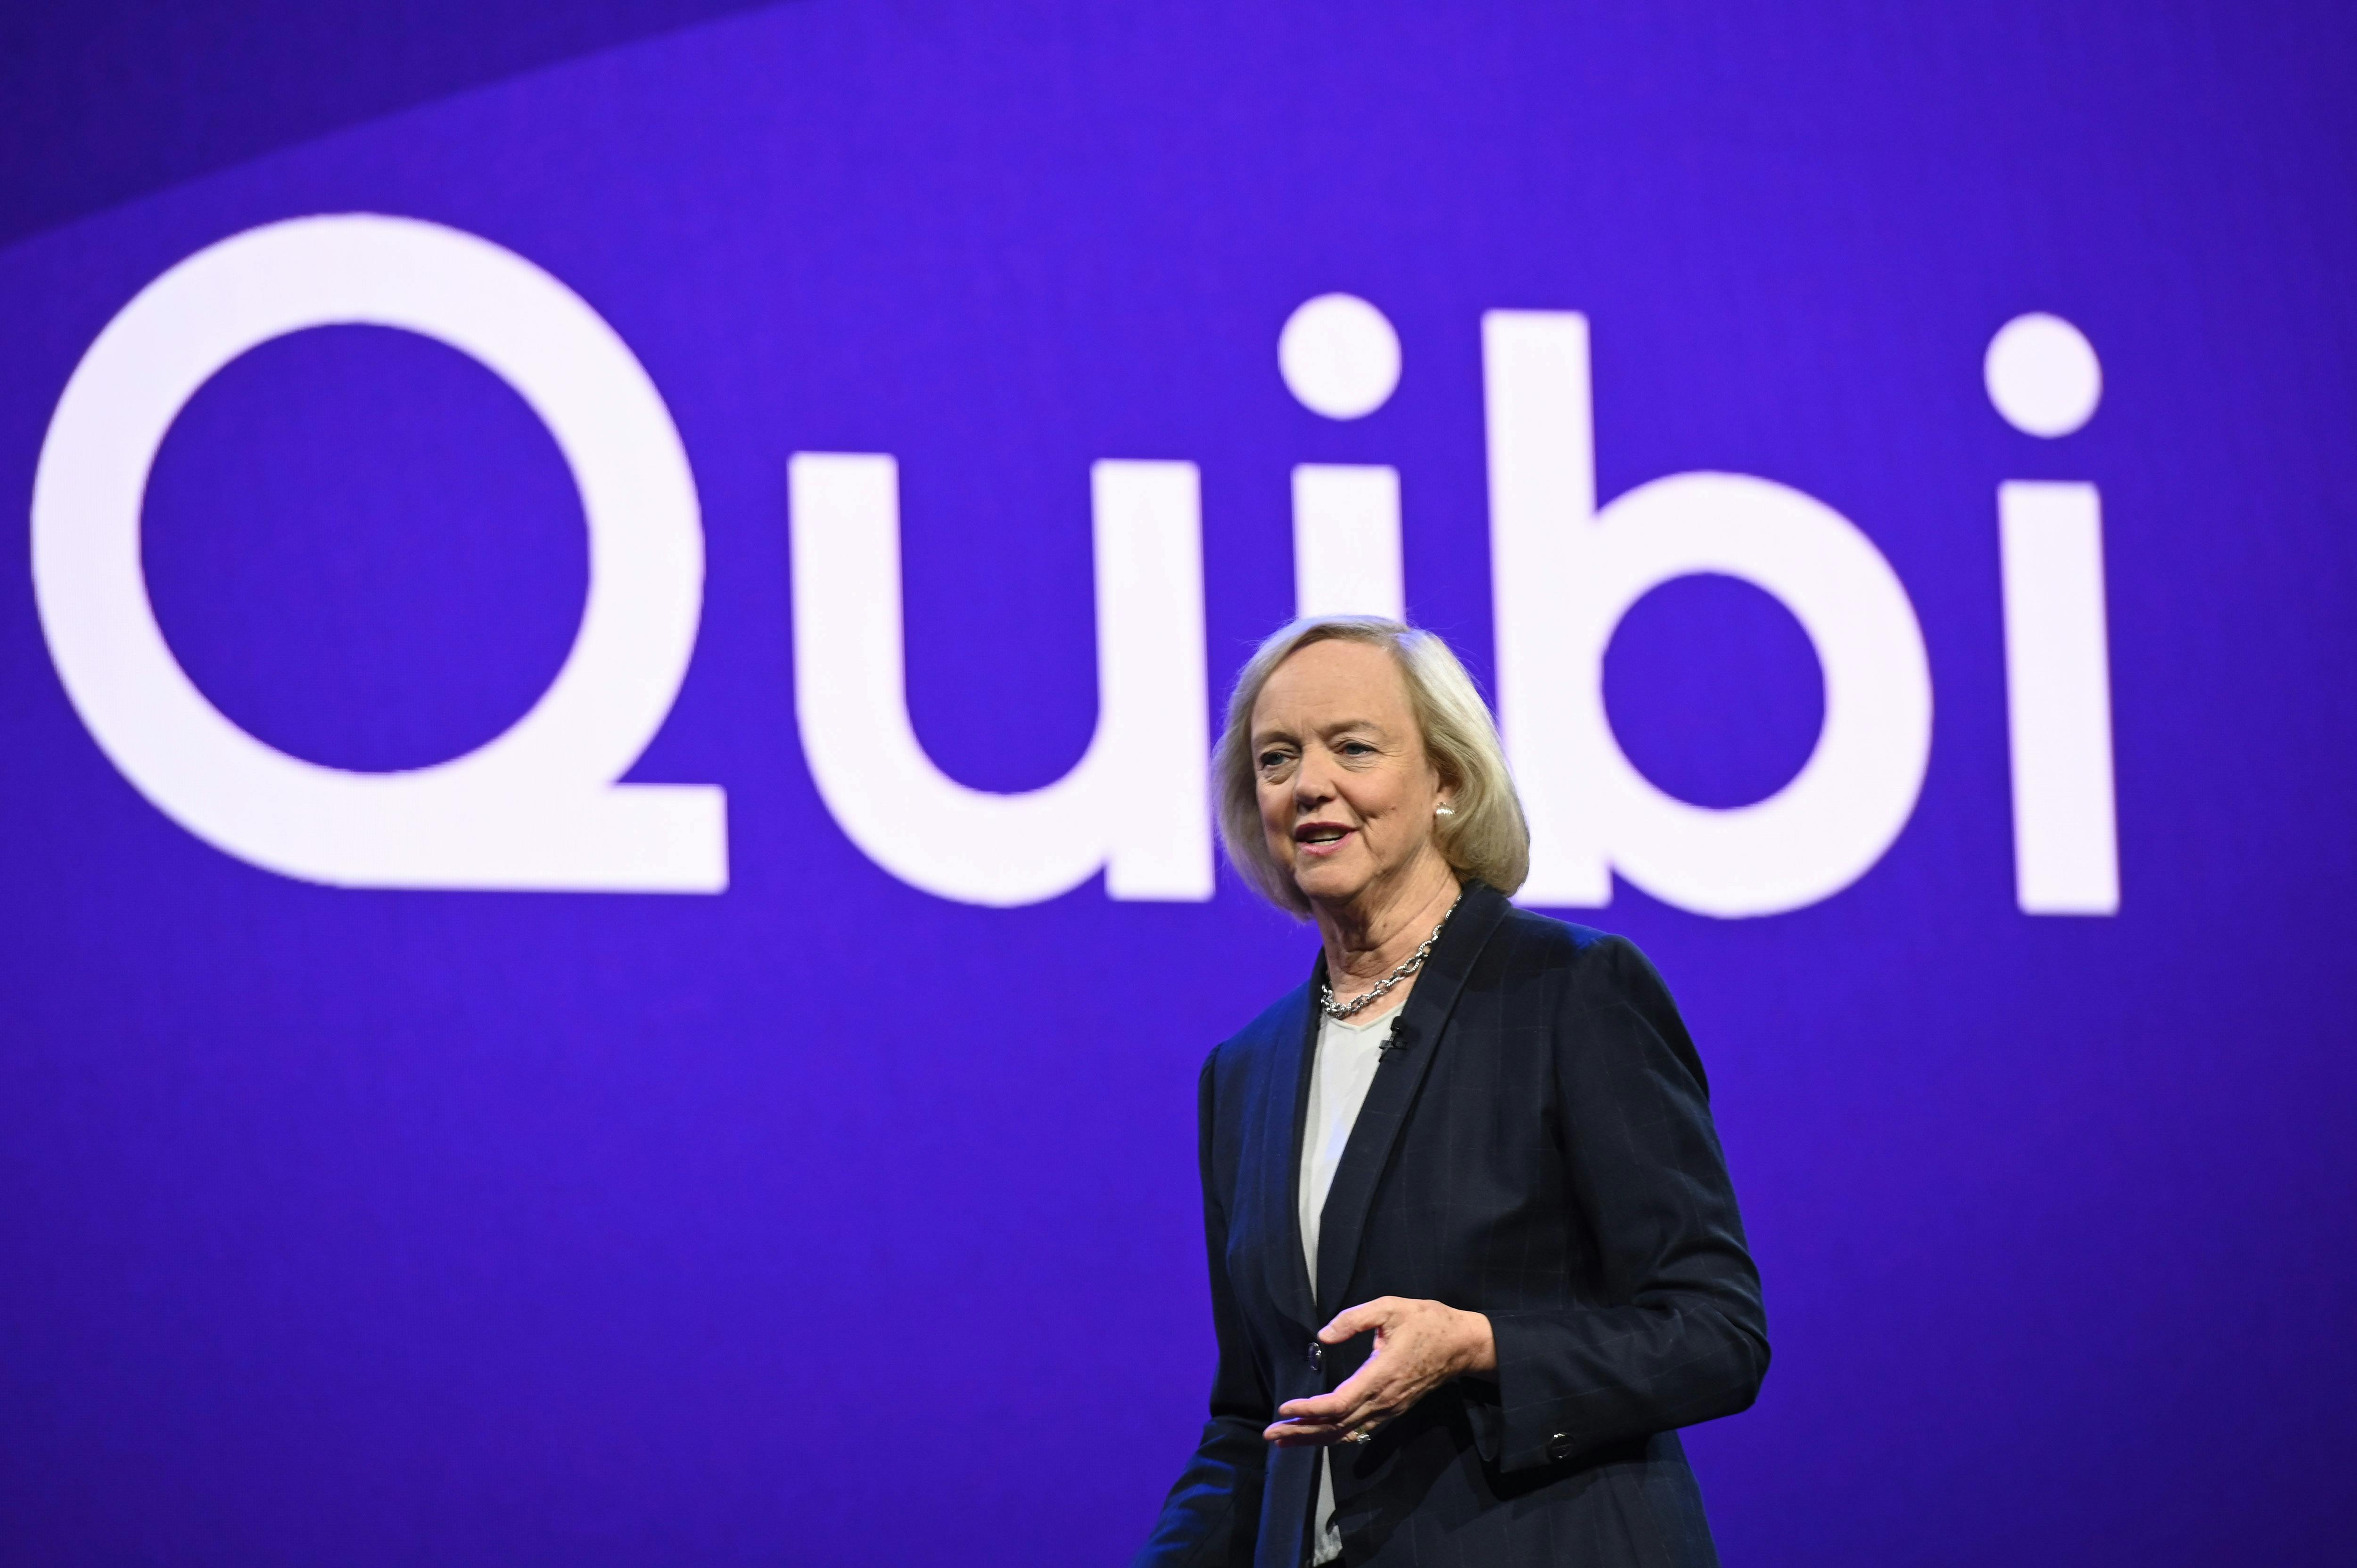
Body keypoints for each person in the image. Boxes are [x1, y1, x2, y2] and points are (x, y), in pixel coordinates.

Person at [1133, 617, 1768, 1568]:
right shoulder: (1245, 1071)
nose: (1310, 784)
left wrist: (1477, 1343)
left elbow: (1715, 1330)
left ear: (1446, 782)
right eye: (1276, 759)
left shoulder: (1570, 990)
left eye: (1352, 746)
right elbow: (1251, 1415)